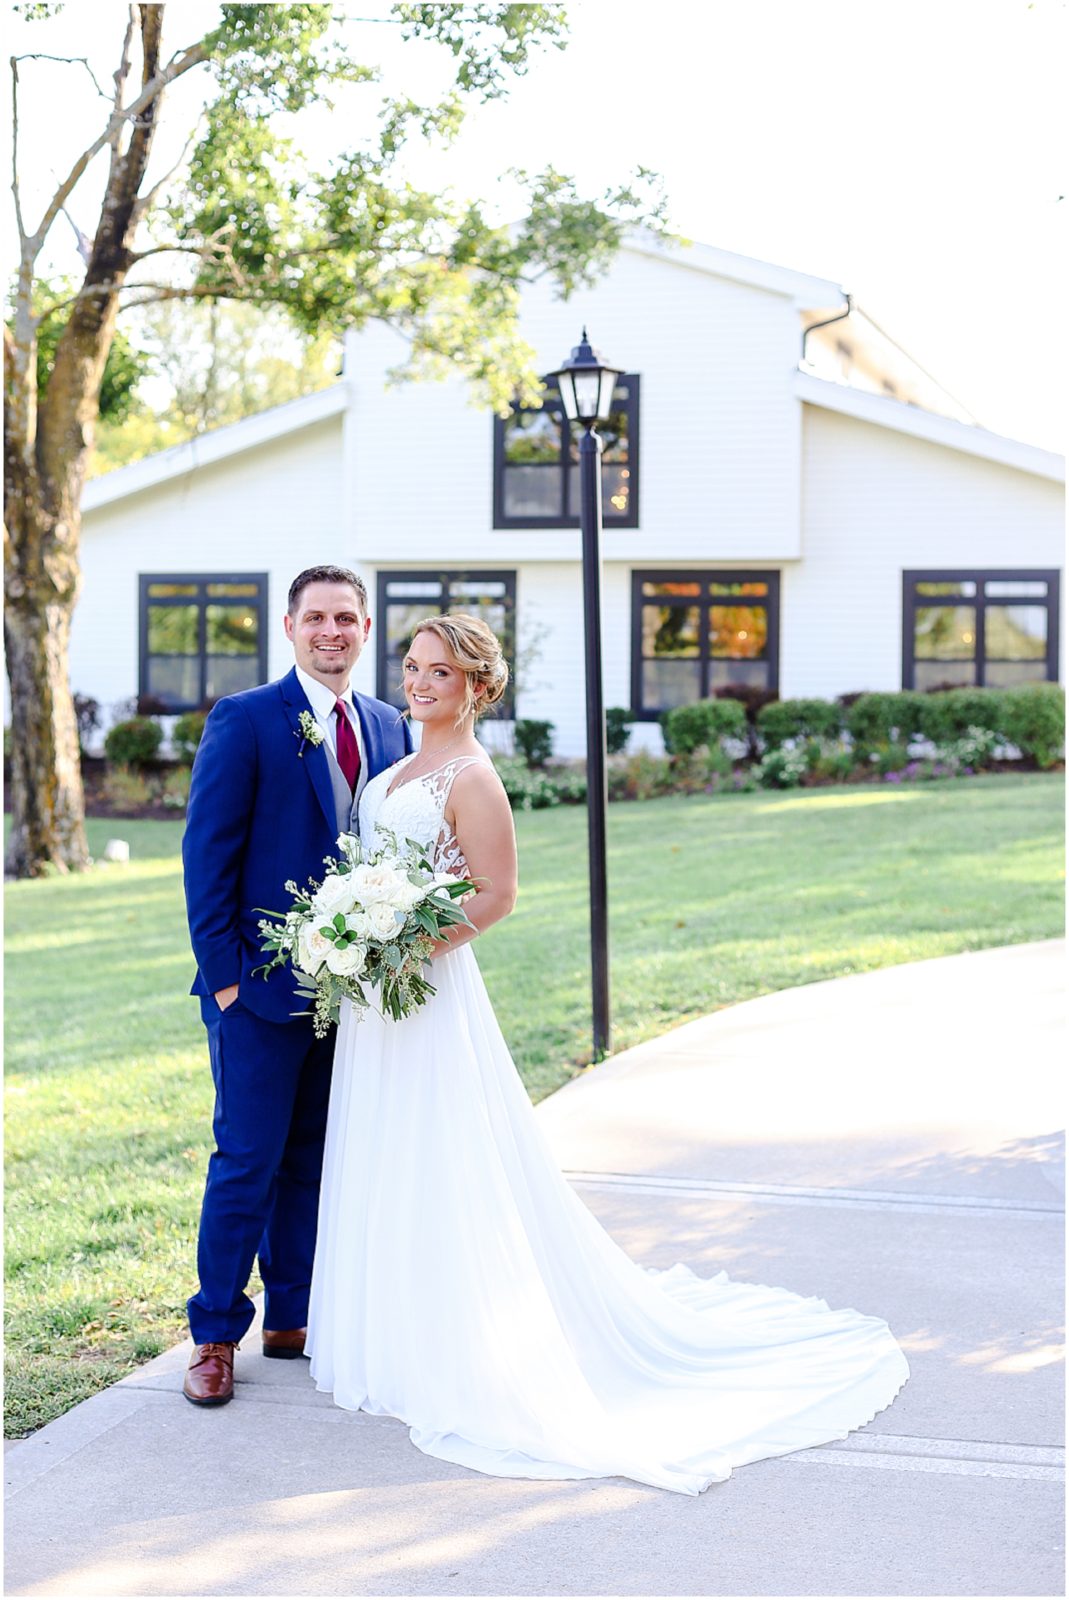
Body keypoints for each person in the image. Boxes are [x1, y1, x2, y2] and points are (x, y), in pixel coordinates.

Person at [306, 614, 910, 1495]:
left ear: (477, 686)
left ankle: (459, 1337)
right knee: (383, 1149)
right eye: (412, 665)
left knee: (441, 1151)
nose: (420, 680)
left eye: (440, 670)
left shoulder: (471, 778)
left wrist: (403, 946)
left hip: (425, 993)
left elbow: (497, 894)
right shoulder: (397, 768)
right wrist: (354, 931)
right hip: (374, 998)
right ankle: (393, 1325)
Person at [181, 565, 412, 1406]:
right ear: (288, 626)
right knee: (246, 1159)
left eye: (347, 618)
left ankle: (293, 1314)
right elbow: (207, 856)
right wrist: (228, 983)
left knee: (315, 1158)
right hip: (259, 989)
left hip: (350, 993)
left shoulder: (390, 725)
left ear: (363, 627)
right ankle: (212, 1335)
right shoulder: (245, 720)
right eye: (316, 617)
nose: (332, 631)